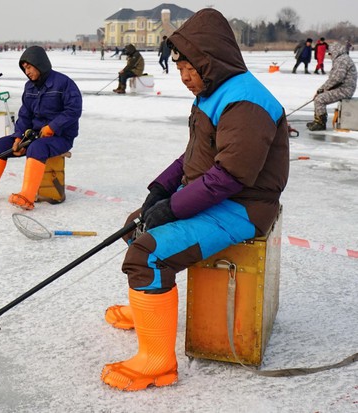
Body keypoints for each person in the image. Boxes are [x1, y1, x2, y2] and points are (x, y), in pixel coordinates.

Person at [100, 8, 289, 392]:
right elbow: (194, 154)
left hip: (243, 207)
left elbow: (230, 177)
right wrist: (161, 190)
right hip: (217, 193)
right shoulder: (213, 90)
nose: (184, 77)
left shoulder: (245, 103)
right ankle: (147, 311)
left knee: (147, 252)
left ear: (210, 61)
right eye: (179, 68)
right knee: (135, 225)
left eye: (190, 68)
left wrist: (172, 208)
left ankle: (158, 363)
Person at [0, 45, 82, 210]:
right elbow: (25, 115)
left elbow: (73, 111)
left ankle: (27, 195)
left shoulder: (64, 84)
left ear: (40, 64)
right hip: (33, 135)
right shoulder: (29, 87)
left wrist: (52, 127)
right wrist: (18, 136)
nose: (27, 71)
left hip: (60, 137)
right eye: (24, 68)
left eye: (29, 67)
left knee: (37, 148)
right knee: (0, 145)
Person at [306, 42, 357, 131]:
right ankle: (318, 120)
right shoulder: (341, 59)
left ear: (335, 51)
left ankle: (320, 123)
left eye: (330, 53)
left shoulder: (341, 60)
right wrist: (323, 89)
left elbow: (336, 79)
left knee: (320, 99)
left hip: (345, 89)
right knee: (320, 97)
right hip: (343, 87)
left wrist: (322, 89)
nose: (329, 55)